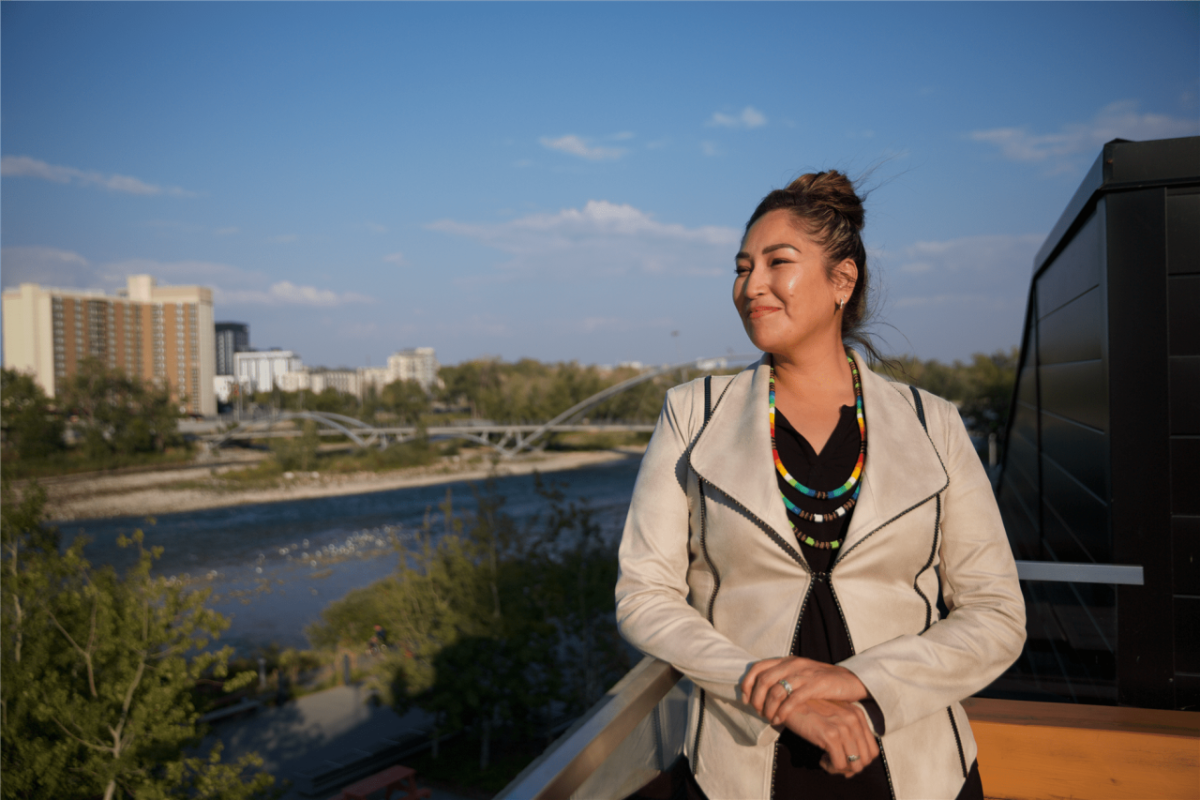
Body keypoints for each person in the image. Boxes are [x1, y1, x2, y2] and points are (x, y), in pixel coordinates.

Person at [615, 171, 1026, 800]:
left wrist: (860, 686)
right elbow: (646, 596)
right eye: (742, 267)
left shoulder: (933, 424)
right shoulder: (691, 414)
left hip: (915, 763)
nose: (751, 285)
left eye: (778, 262)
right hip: (744, 765)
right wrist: (774, 692)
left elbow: (996, 615)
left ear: (842, 280)